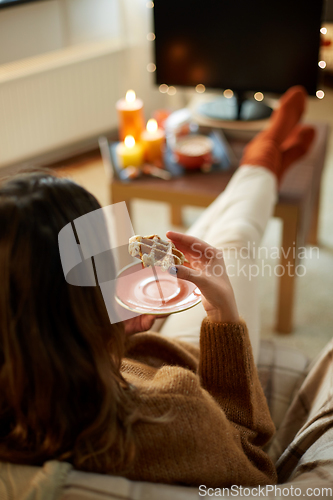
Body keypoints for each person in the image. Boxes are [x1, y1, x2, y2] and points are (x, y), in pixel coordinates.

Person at [0, 87, 314, 490]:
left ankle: (261, 168)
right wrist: (224, 315)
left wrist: (108, 336)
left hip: (114, 356)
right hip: (174, 370)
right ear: (76, 312)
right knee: (227, 246)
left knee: (190, 245)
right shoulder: (172, 416)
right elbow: (252, 461)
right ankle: (264, 159)